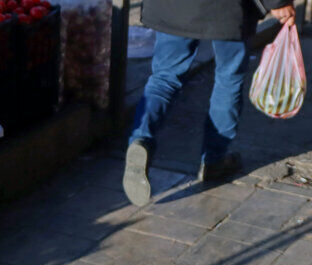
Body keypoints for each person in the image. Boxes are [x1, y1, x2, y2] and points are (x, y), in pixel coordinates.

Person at [123, 0, 296, 206]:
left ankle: (140, 138)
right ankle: (214, 160)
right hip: (228, 10)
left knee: (164, 78)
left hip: (171, 7)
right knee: (228, 79)